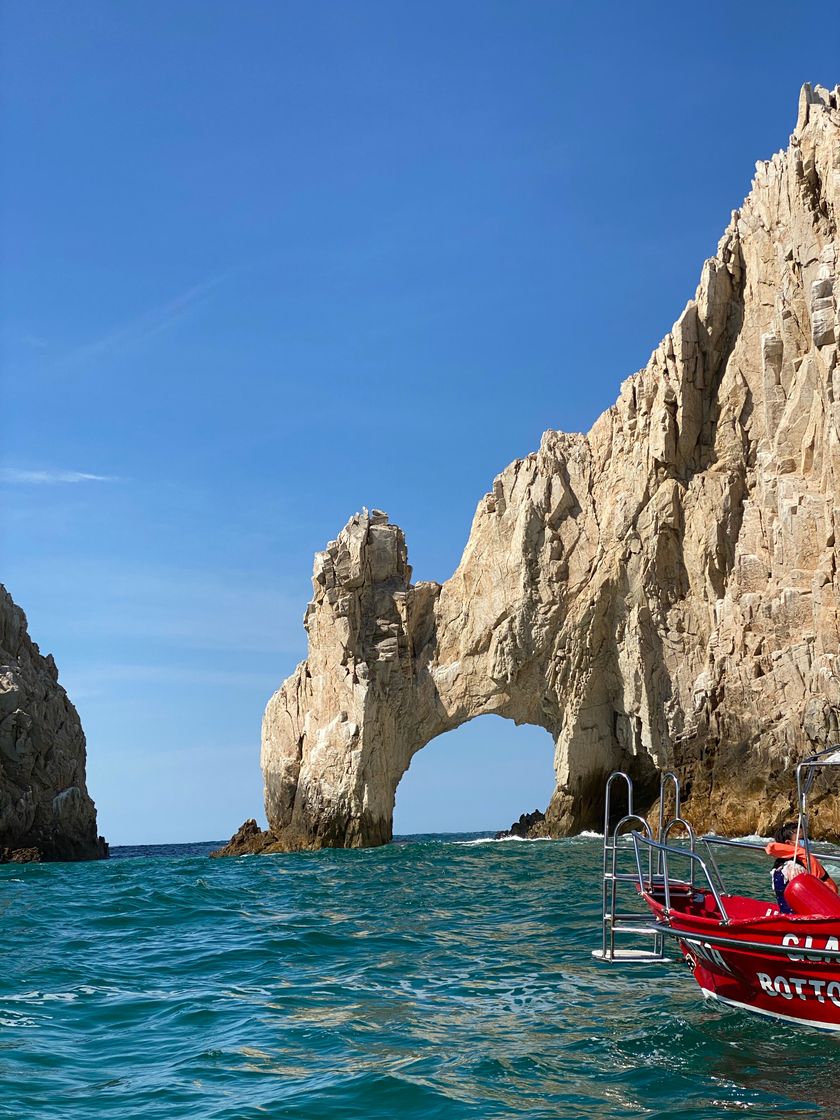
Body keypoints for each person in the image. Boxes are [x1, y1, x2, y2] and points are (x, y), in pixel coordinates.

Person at [765, 822, 838, 912]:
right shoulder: (794, 868)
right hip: (801, 918)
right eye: (801, 839)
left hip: (786, 912)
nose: (806, 841)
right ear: (788, 843)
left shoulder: (779, 865)